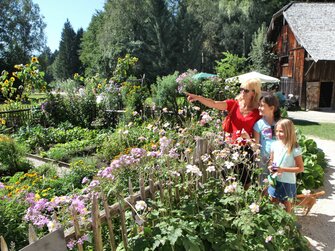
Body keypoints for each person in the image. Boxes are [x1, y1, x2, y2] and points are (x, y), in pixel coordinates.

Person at [185, 78, 262, 188]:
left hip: (247, 149)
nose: (242, 92)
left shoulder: (257, 111)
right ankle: (230, 200)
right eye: (241, 89)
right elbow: (214, 104)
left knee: (246, 181)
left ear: (253, 93)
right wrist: (198, 98)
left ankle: (245, 202)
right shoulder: (234, 104)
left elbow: (262, 130)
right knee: (226, 175)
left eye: (246, 90)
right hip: (231, 146)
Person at [267, 118, 304, 213]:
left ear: (289, 132)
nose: (278, 134)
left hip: (287, 181)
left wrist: (282, 169)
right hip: (275, 179)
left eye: (281, 131)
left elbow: (300, 168)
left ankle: (287, 223)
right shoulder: (274, 145)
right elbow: (272, 160)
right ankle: (274, 222)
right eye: (277, 131)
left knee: (287, 202)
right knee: (272, 199)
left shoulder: (294, 148)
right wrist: (271, 167)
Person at [253, 94, 281, 182]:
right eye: (259, 105)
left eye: (262, 106)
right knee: (264, 182)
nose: (259, 108)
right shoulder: (259, 124)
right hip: (263, 160)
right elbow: (256, 146)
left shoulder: (281, 123)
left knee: (276, 180)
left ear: (272, 108)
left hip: (278, 158)